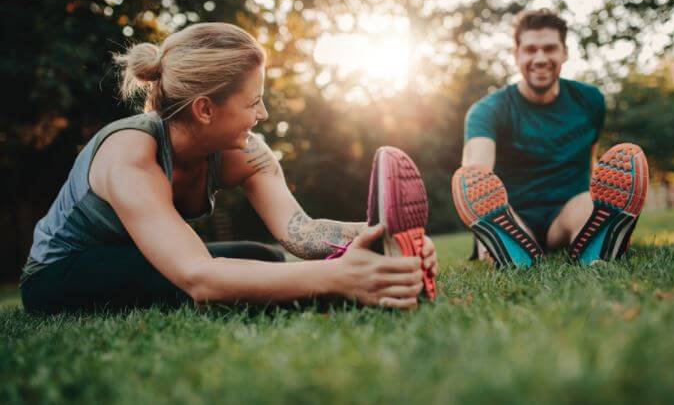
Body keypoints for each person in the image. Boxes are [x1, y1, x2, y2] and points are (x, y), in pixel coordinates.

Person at [20, 22, 437, 314]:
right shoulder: (131, 153)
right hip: (63, 271)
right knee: (204, 285)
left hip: (138, 258)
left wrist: (384, 238)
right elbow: (199, 277)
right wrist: (339, 279)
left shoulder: (244, 152)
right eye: (253, 101)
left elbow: (302, 233)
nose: (264, 113)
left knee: (265, 259)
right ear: (205, 109)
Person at [453, 9, 648, 266]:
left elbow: (590, 158)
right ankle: (501, 242)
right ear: (516, 55)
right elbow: (476, 174)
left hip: (567, 212)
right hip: (513, 213)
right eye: (531, 49)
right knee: (497, 212)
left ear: (565, 52)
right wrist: (476, 186)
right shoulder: (488, 110)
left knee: (588, 207)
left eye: (550, 48)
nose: (540, 58)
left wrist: (598, 197)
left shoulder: (590, 100)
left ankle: (599, 240)